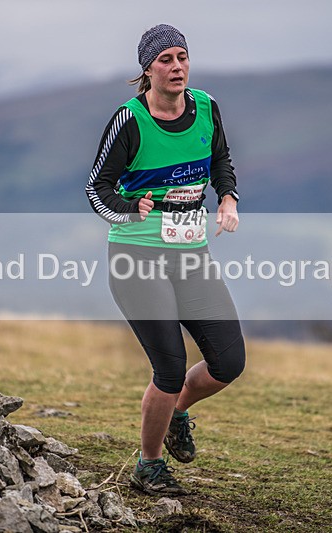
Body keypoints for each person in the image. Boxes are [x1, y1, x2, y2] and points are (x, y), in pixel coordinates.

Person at [85, 24, 246, 496]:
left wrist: (228, 197)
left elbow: (220, 161)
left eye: (182, 57)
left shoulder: (207, 108)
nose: (176, 67)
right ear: (148, 69)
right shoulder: (130, 119)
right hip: (137, 256)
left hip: (190, 253)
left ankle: (177, 413)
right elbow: (97, 188)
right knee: (170, 368)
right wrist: (129, 208)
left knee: (228, 362)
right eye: (165, 60)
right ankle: (149, 466)